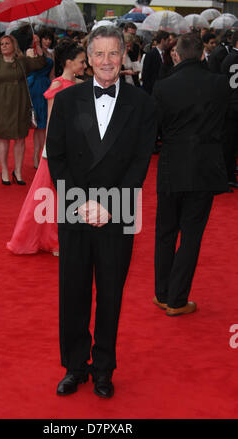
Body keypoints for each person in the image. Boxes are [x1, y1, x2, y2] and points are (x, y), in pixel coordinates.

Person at [46, 26, 157, 398]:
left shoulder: (143, 104)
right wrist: (80, 202)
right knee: (73, 293)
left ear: (123, 55)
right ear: (88, 59)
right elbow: (57, 158)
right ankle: (75, 367)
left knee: (110, 295)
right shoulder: (65, 101)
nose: (106, 61)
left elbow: (140, 162)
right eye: (99, 54)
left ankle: (104, 368)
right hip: (74, 211)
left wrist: (108, 205)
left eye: (114, 53)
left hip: (118, 211)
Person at [152, 33, 231, 317]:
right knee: (191, 235)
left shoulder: (163, 87)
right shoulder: (220, 84)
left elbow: (154, 130)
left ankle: (162, 294)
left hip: (172, 165)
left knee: (165, 232)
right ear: (202, 55)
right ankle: (177, 299)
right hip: (205, 167)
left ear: (177, 54)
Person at [6, 40, 86, 255]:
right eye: (81, 61)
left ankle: (60, 238)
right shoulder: (57, 86)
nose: (84, 66)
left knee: (67, 195)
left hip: (76, 148)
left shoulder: (80, 85)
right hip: (56, 150)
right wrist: (50, 151)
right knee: (45, 196)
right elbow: (51, 122)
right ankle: (50, 240)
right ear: (68, 62)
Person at [0, 34, 46, 185]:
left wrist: (38, 46)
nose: (4, 46)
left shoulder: (22, 61)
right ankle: (4, 170)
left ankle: (17, 171)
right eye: (2, 44)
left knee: (20, 139)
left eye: (7, 43)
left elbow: (40, 63)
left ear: (14, 45)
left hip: (20, 103)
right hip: (1, 105)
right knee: (3, 138)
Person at [27, 28, 55, 169]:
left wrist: (54, 88)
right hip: (34, 86)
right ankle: (35, 155)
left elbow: (52, 74)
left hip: (46, 86)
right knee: (38, 124)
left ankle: (43, 155)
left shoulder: (51, 54)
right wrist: (36, 46)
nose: (47, 41)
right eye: (45, 38)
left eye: (49, 39)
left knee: (44, 124)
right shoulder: (31, 51)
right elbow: (35, 64)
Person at [221, 30, 238, 189]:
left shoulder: (228, 58)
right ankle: (228, 174)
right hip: (233, 105)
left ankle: (229, 172)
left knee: (230, 143)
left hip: (229, 105)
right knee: (230, 144)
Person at [141, 30, 169, 94]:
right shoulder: (150, 54)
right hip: (152, 90)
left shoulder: (166, 54)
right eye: (168, 40)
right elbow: (145, 74)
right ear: (162, 41)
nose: (168, 43)